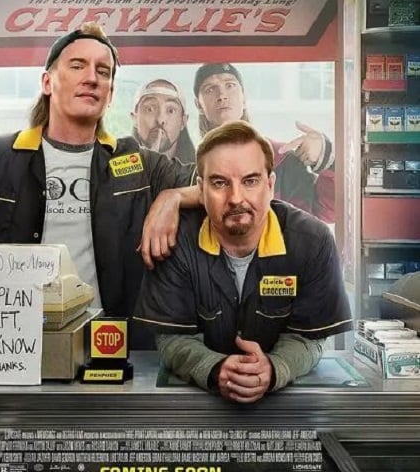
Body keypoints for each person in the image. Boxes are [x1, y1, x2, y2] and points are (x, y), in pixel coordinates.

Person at [0, 22, 196, 347]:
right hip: (7, 349)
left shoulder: (138, 163)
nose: (91, 78)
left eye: (103, 71)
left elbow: (218, 185)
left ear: (110, 94)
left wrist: (172, 197)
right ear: (47, 82)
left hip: (110, 351)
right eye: (77, 65)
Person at [134, 120, 352, 402]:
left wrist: (275, 368)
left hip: (288, 408)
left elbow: (310, 338)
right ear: (200, 189)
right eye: (220, 183)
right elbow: (172, 338)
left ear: (270, 185)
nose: (236, 198)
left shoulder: (314, 242)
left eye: (250, 181)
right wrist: (215, 368)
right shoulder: (176, 242)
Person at [193, 62, 335, 223]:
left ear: (244, 98)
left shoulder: (282, 161)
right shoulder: (190, 170)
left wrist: (327, 158)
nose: (222, 95)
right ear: (198, 105)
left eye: (230, 85)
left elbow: (328, 211)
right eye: (210, 89)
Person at [131, 78, 195, 163]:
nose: (160, 120)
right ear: (135, 118)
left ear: (183, 121)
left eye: (171, 110)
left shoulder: (200, 168)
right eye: (149, 109)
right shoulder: (117, 167)